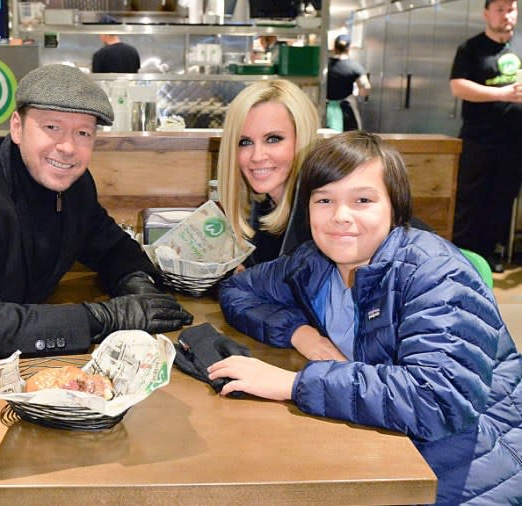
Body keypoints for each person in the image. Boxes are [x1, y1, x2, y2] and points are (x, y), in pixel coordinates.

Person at [213, 131, 522, 504]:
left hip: (471, 466)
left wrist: (294, 384)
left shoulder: (434, 272)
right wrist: (301, 334)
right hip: (382, 445)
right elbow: (238, 290)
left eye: (362, 200)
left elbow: (439, 400)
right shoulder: (313, 264)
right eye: (324, 200)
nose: (341, 217)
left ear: (395, 207)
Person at [0, 64, 193, 412]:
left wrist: (137, 283)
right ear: (17, 128)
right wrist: (104, 318)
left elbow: (110, 245)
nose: (67, 147)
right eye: (52, 127)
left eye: (83, 134)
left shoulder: (73, 185)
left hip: (13, 370)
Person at [449, 0, 522, 273]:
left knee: (502, 198)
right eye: (500, 9)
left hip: (515, 141)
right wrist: (503, 94)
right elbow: (458, 87)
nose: (506, 15)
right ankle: (463, 256)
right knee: (470, 198)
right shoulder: (471, 49)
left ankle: (489, 253)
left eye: (511, 9)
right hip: (479, 139)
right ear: (486, 14)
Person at [215, 79, 320, 267]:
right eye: (245, 142)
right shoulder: (262, 204)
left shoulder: (319, 214)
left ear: (302, 137)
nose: (257, 156)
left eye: (273, 139)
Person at [326, 34, 371, 132]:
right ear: (348, 48)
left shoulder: (325, 65)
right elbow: (366, 86)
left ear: (335, 48)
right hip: (346, 109)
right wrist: (359, 93)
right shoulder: (354, 66)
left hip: (325, 108)